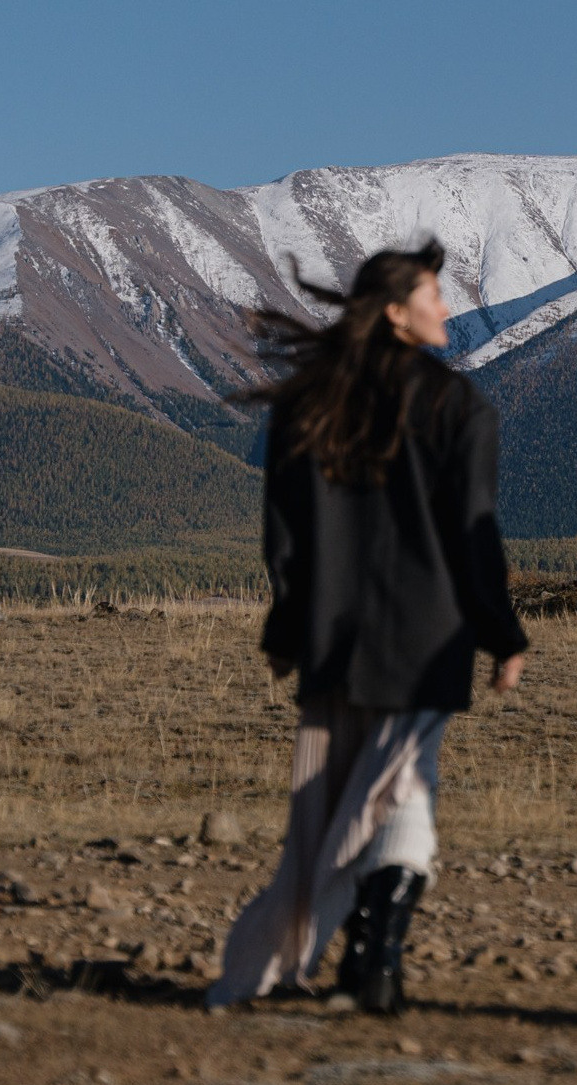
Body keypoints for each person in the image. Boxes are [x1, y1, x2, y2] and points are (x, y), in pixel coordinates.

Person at [207, 239, 529, 1015]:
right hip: (427, 638)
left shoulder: (307, 405)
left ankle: (348, 958)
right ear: (395, 312)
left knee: (335, 804)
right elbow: (471, 536)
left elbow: (283, 536)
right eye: (433, 294)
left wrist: (288, 631)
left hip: (333, 636)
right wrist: (502, 633)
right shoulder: (459, 408)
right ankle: (375, 962)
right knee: (401, 787)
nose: (447, 306)